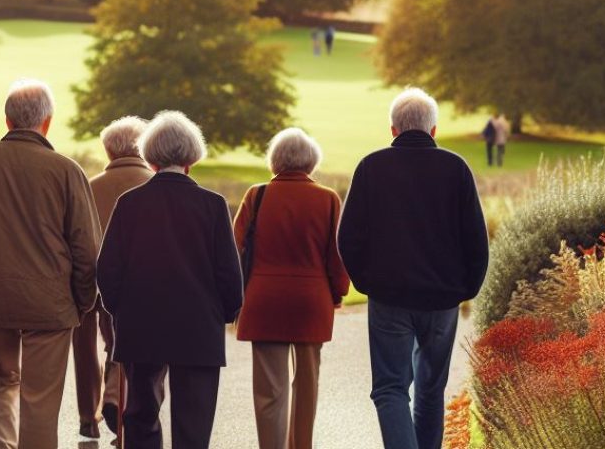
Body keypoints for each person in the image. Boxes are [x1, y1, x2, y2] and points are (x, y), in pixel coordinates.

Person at [0, 79, 100, 449]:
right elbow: (87, 250)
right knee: (40, 400)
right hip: (52, 302)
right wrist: (81, 300)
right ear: (47, 122)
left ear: (8, 121)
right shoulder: (67, 170)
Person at [338, 88, 489, 449]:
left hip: (389, 298)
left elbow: (348, 239)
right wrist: (465, 288)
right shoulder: (456, 169)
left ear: (393, 130)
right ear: (433, 130)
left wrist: (368, 282)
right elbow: (475, 239)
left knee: (390, 388)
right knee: (430, 390)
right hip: (442, 301)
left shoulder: (371, 167)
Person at [97, 111, 243, 449]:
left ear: (151, 159)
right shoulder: (213, 205)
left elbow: (108, 270)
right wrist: (222, 314)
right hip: (198, 328)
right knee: (194, 424)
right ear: (192, 158)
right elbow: (229, 275)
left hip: (140, 324)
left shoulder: (129, 204)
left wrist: (120, 310)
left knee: (140, 418)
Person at [233, 127, 349, 449]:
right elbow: (336, 256)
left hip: (264, 300)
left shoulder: (256, 196)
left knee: (269, 389)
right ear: (311, 163)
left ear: (275, 161)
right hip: (311, 301)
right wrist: (337, 292)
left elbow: (235, 247)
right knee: (307, 384)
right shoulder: (328, 199)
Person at [77, 116, 153, 438]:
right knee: (123, 341)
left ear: (109, 150)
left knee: (84, 346)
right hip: (136, 280)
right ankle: (119, 401)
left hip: (87, 276)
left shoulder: (87, 186)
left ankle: (87, 417)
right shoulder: (155, 182)